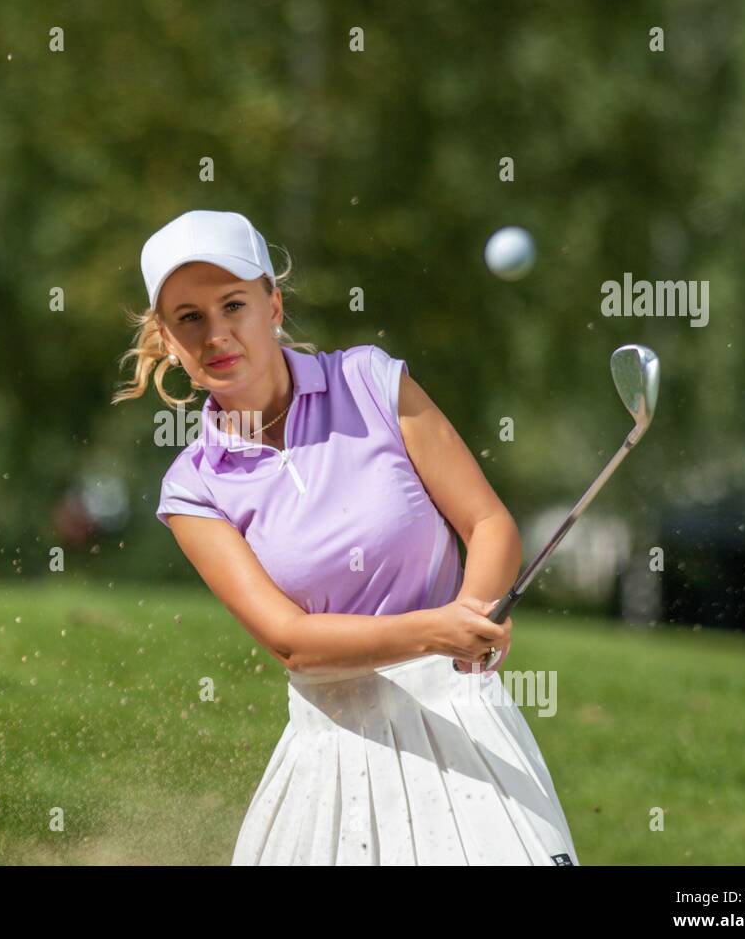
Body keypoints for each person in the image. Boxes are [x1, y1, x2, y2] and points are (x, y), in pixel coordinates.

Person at [112, 209, 580, 865]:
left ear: (273, 305)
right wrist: (438, 629)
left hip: (463, 722)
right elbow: (293, 643)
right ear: (167, 337)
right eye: (189, 318)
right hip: (333, 754)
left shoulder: (370, 382)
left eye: (234, 305)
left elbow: (488, 524)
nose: (216, 334)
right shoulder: (194, 489)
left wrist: (471, 619)